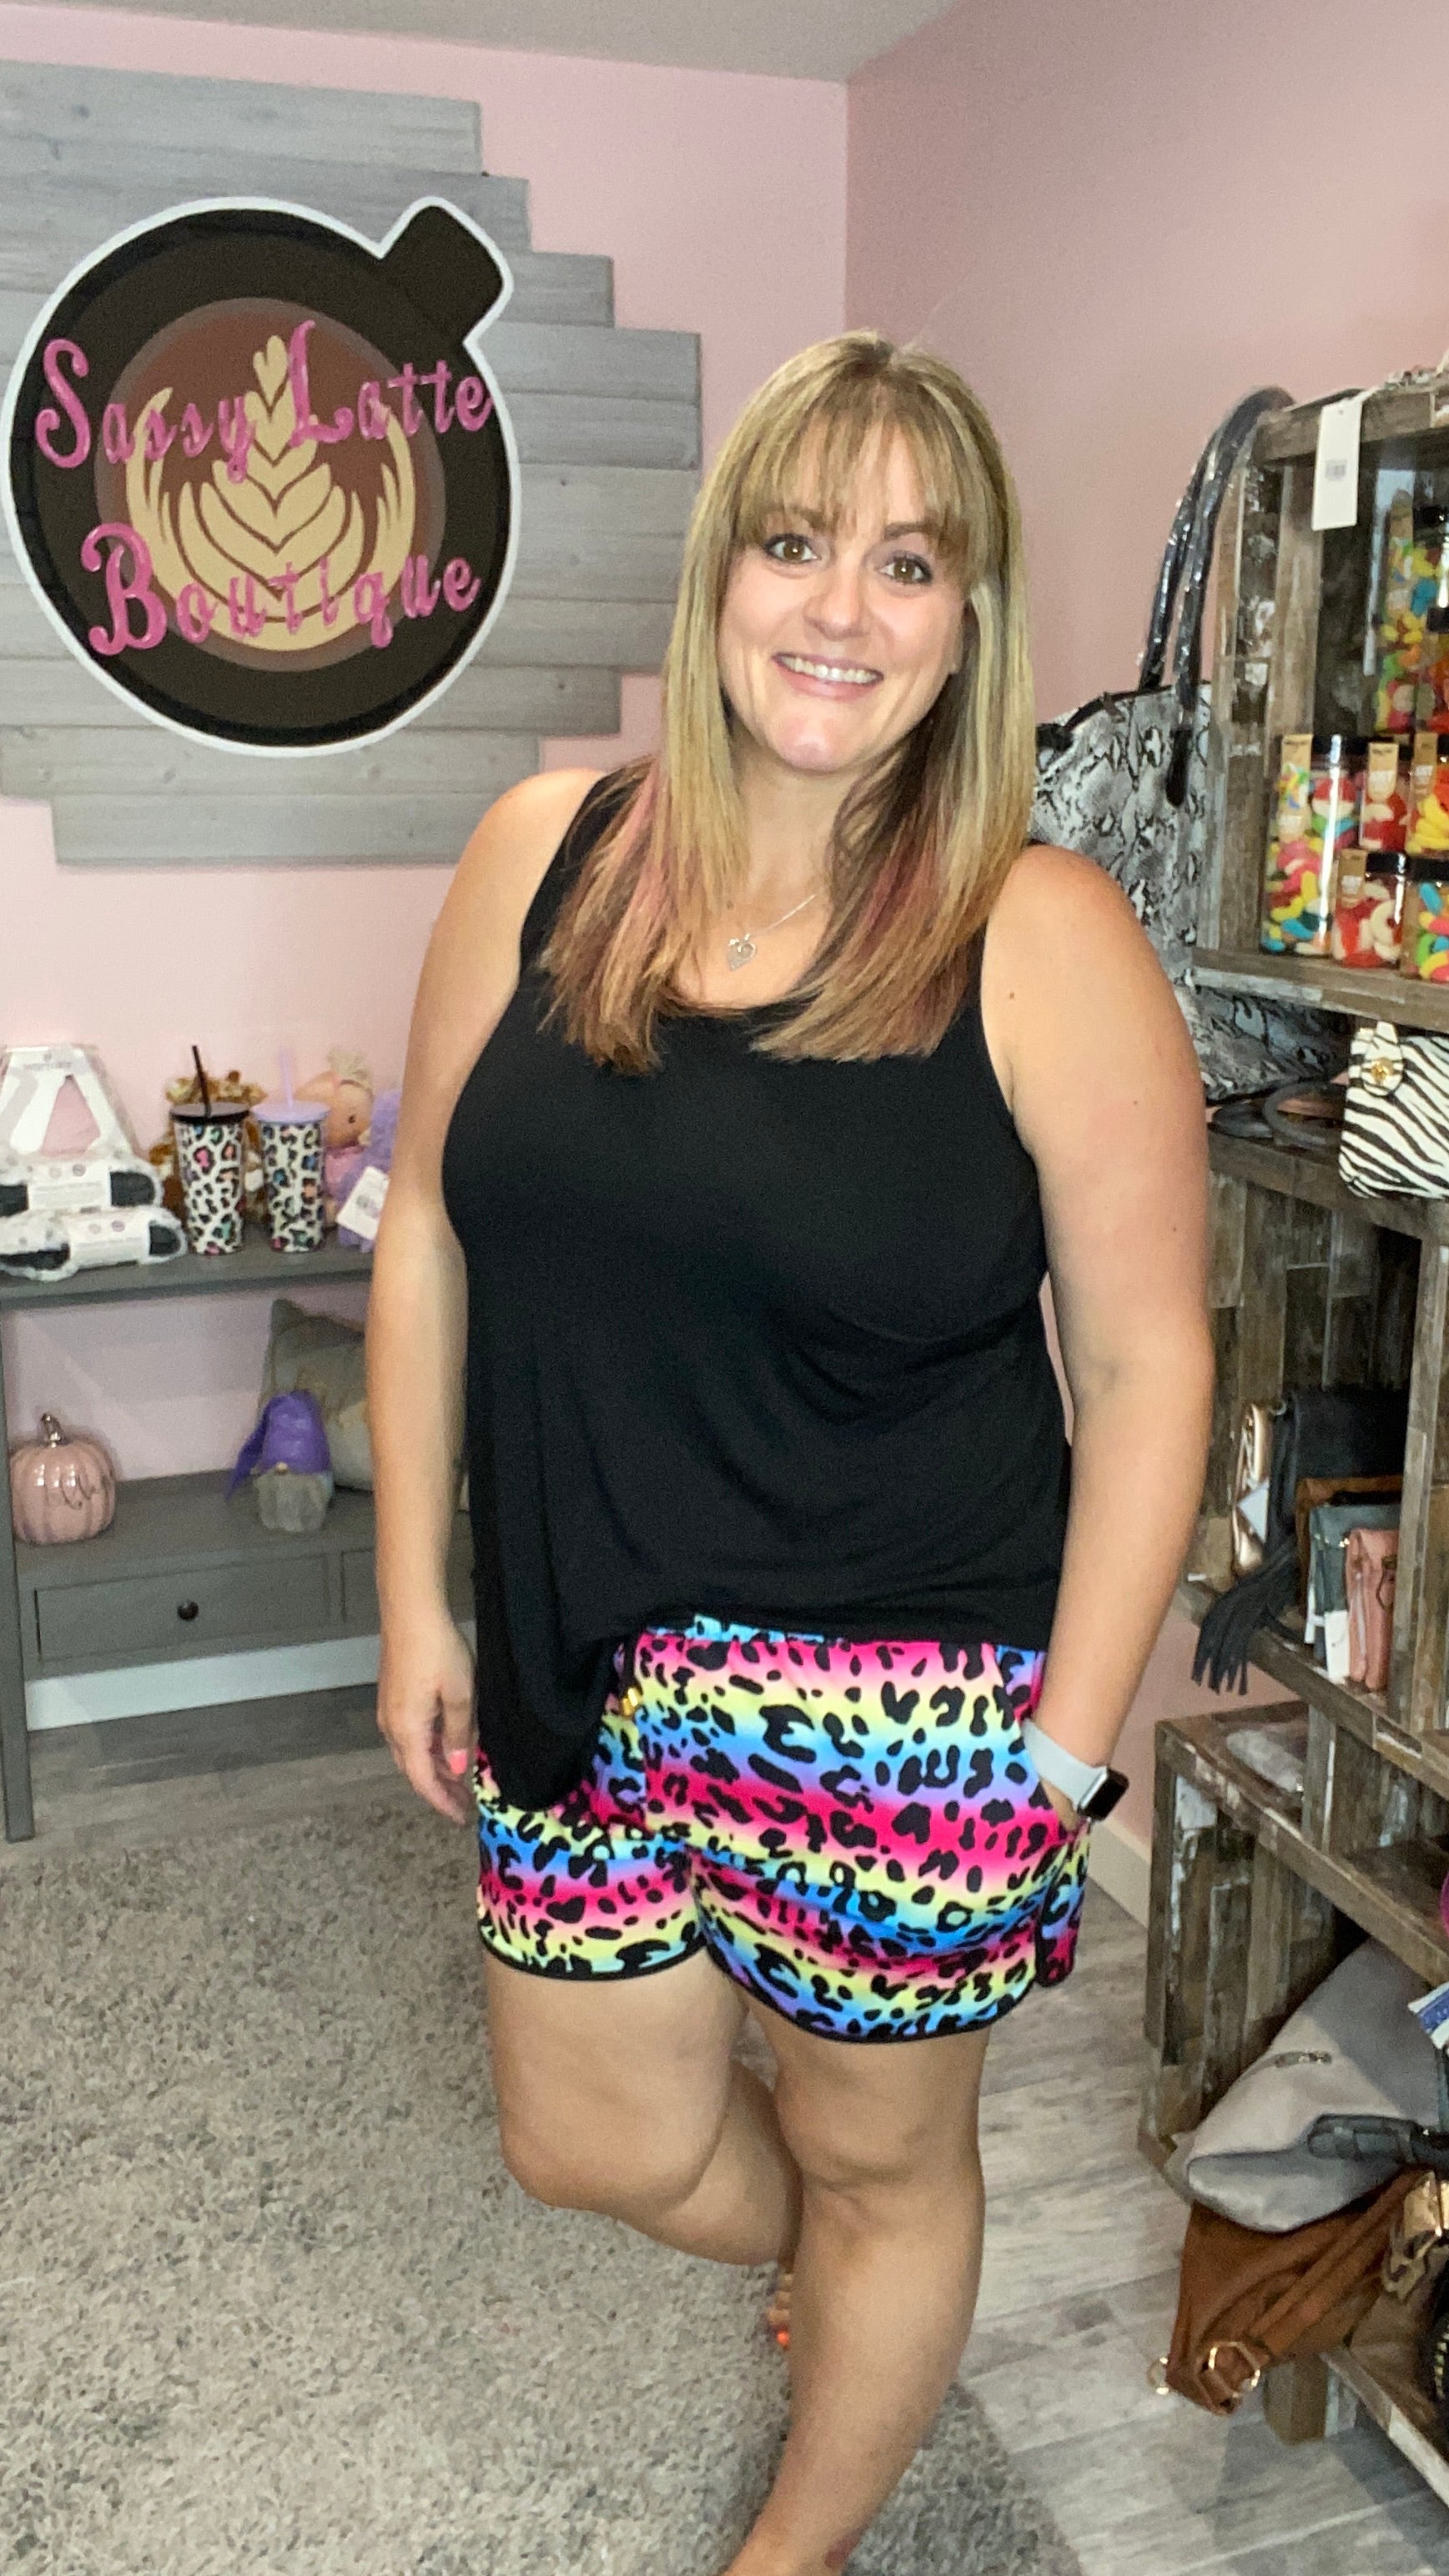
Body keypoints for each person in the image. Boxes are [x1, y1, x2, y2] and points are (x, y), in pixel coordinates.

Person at [368, 330, 1212, 2576]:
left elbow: (1149, 1370)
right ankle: (839, 2269)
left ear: (966, 619)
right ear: (717, 574)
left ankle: (795, 2549)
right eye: (796, 542)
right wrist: (415, 1599)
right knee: (592, 2141)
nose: (842, 608)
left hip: (907, 1690)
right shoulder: (546, 856)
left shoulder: (1040, 934)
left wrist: (1063, 1758)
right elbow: (430, 1225)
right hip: (576, 1637)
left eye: (908, 564)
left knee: (881, 2159)